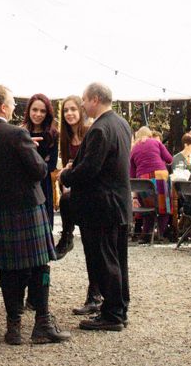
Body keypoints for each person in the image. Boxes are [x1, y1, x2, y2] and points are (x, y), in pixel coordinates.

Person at [0, 86, 69, 345]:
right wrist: (35, 154)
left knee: (9, 269)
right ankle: (42, 323)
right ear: (3, 107)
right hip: (27, 207)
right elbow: (39, 171)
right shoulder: (17, 134)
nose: (14, 107)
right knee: (41, 264)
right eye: (12, 103)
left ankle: (13, 328)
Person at [64, 81, 132, 332]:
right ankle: (119, 307)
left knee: (105, 260)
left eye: (83, 99)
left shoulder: (100, 129)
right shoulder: (122, 124)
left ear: (94, 99)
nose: (82, 105)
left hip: (101, 206)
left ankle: (112, 313)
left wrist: (66, 176)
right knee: (118, 258)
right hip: (118, 203)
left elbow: (90, 169)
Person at [53, 95, 90, 261]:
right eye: (66, 110)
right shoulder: (65, 138)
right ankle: (67, 235)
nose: (69, 113)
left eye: (73, 109)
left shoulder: (90, 132)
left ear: (81, 111)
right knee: (65, 200)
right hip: (74, 185)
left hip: (89, 184)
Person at [23, 93, 60, 216]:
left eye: (42, 111)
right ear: (29, 110)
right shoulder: (21, 132)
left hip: (44, 184)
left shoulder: (52, 134)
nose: (38, 114)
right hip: (25, 185)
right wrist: (42, 161)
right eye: (35, 109)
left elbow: (52, 165)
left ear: (47, 113)